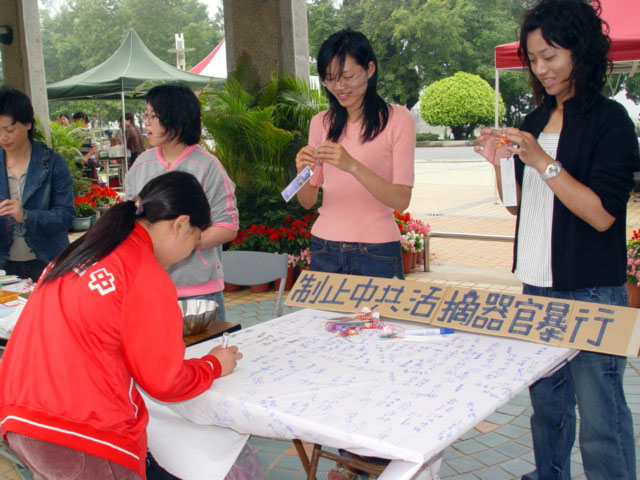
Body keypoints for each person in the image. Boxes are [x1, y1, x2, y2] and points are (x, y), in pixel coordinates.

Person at [474, 1, 639, 479]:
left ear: (579, 51)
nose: (541, 68)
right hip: (536, 285)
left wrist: (543, 160)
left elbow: (602, 215)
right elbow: (519, 208)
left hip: (591, 289)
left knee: (601, 416)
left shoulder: (610, 120)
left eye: (550, 56)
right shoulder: (534, 119)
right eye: (533, 58)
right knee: (548, 408)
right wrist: (501, 165)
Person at [0, 171, 244, 479]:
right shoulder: (142, 271)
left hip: (23, 418)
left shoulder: (87, 249)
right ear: (181, 224)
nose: (190, 252)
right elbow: (165, 381)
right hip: (81, 433)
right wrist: (213, 365)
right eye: (195, 240)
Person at [295, 29, 415, 280]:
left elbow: (401, 200)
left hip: (378, 250)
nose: (339, 87)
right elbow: (307, 201)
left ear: (370, 69)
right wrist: (301, 172)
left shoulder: (398, 119)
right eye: (330, 79)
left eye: (347, 77)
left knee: (381, 309)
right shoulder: (320, 123)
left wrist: (352, 165)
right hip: (325, 246)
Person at [124, 84, 238, 322]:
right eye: (146, 115)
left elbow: (227, 227)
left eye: (153, 116)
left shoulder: (208, 166)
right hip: (149, 289)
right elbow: (129, 221)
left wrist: (178, 245)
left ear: (176, 119)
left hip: (199, 294)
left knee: (204, 347)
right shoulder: (140, 165)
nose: (146, 123)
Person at [0, 88, 75, 281]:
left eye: (9, 130)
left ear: (28, 124)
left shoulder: (53, 163)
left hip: (47, 260)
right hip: (4, 266)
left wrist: (26, 216)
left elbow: (66, 216)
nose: (3, 137)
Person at [72, 111, 98, 179]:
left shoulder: (89, 132)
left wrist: (86, 156)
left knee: (91, 180)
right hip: (78, 161)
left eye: (76, 122)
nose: (75, 124)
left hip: (89, 161)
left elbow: (94, 146)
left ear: (83, 121)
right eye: (74, 122)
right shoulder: (74, 133)